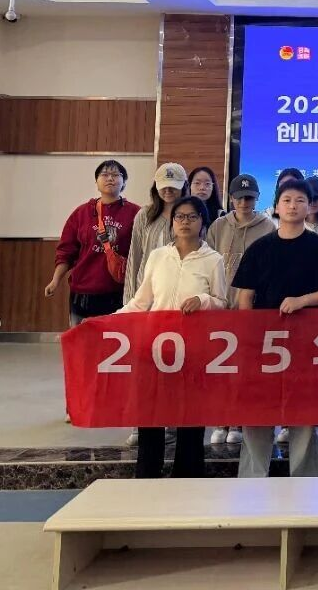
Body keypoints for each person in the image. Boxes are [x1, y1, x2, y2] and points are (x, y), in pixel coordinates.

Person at [233, 178, 318, 478]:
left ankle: (304, 483)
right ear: (276, 206)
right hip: (264, 345)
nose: (293, 206)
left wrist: (303, 300)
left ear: (309, 207)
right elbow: (245, 296)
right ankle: (252, 481)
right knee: (257, 414)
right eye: (287, 200)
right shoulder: (260, 247)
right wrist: (249, 336)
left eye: (299, 200)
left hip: (306, 343)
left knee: (304, 414)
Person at [118, 195, 228, 479]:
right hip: (156, 348)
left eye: (192, 217)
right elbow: (140, 302)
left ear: (203, 222)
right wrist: (104, 322)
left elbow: (222, 302)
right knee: (151, 415)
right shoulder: (158, 257)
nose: (185, 222)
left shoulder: (213, 260)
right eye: (180, 216)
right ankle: (147, 476)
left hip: (194, 350)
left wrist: (203, 300)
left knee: (190, 417)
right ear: (172, 222)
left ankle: (187, 477)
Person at [205, 173, 275, 445]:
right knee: (222, 370)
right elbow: (208, 262)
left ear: (257, 199)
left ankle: (240, 421)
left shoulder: (267, 227)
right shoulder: (218, 226)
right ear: (231, 199)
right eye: (239, 198)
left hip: (252, 312)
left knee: (247, 371)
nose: (244, 203)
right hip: (223, 310)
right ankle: (221, 420)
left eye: (249, 198)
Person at [45, 159, 140, 326]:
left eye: (115, 174)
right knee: (82, 339)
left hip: (120, 293)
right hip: (84, 292)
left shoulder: (136, 213)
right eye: (105, 174)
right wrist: (55, 280)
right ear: (96, 182)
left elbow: (142, 252)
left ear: (124, 182)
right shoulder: (82, 213)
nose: (110, 178)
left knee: (115, 338)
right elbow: (66, 251)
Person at [125, 163, 189, 303]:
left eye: (173, 186)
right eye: (163, 186)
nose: (168, 190)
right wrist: (129, 298)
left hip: (179, 294)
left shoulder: (191, 216)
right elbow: (135, 256)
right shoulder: (144, 215)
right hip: (146, 293)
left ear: (184, 186)